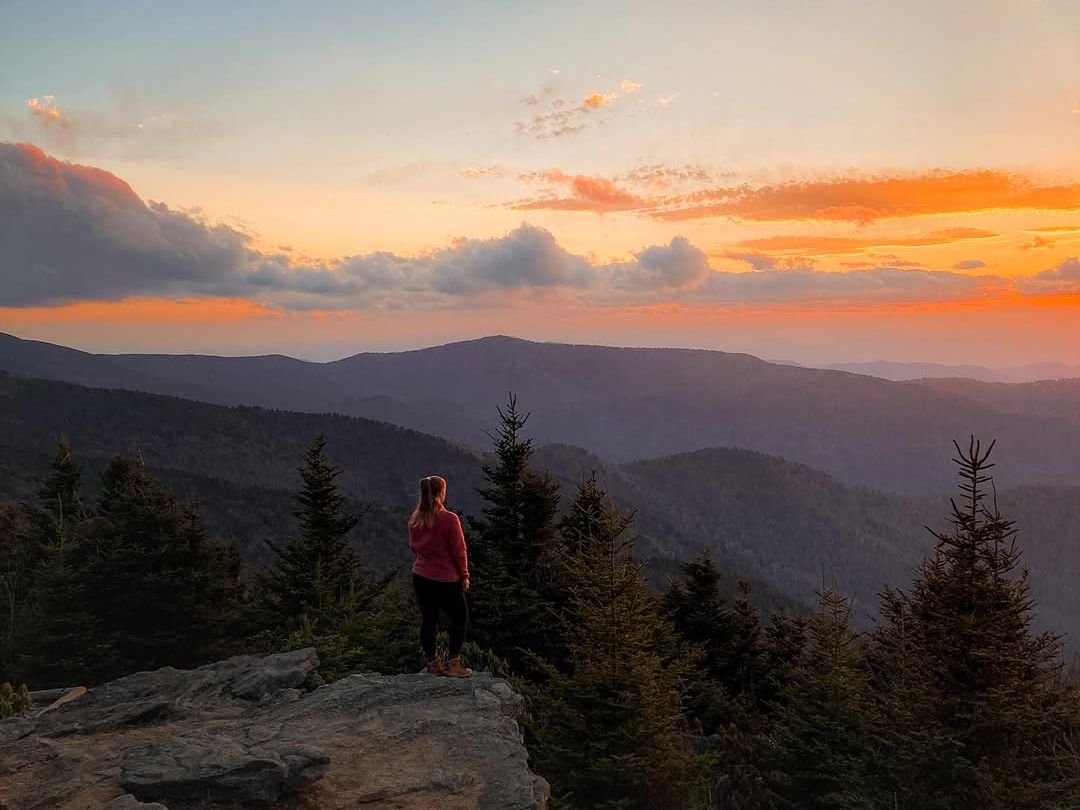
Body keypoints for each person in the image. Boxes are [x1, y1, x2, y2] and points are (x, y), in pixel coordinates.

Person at [408, 475, 472, 677]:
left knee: (429, 619)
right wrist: (464, 576)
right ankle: (454, 663)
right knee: (460, 617)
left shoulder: (415, 518)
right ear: (440, 493)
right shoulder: (449, 519)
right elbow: (459, 551)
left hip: (421, 575)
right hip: (446, 579)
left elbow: (414, 547)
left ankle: (433, 662)